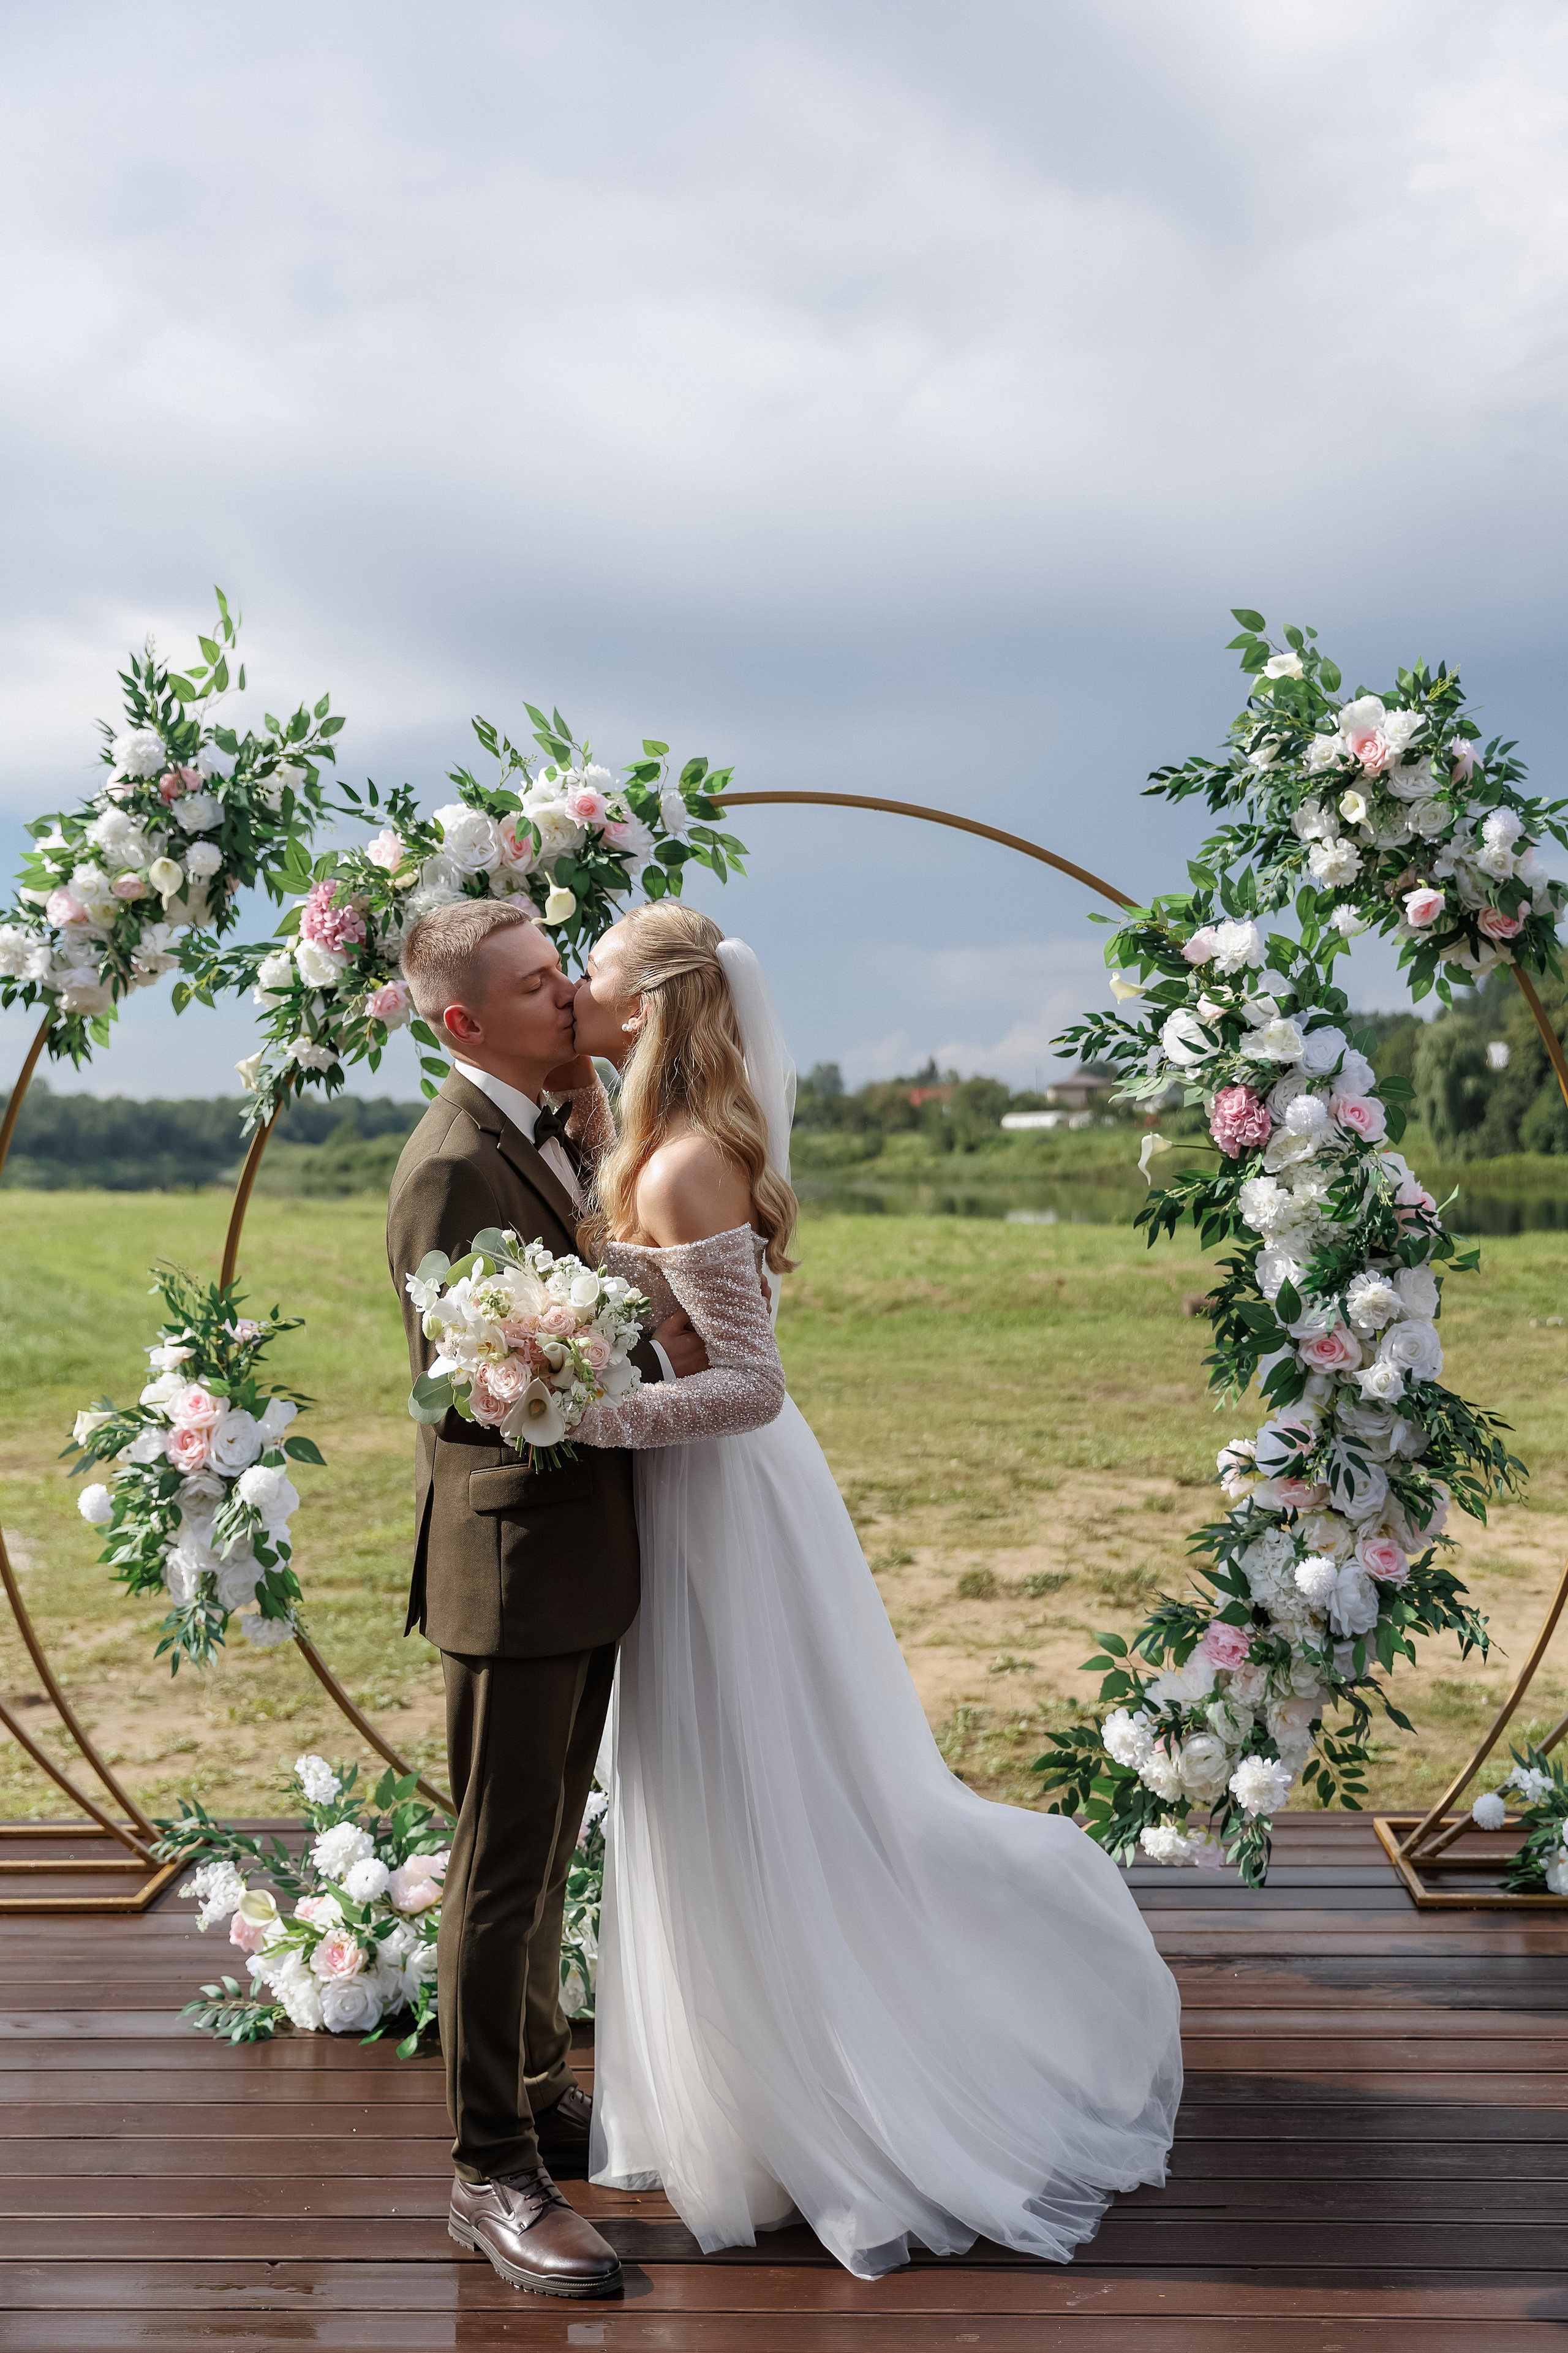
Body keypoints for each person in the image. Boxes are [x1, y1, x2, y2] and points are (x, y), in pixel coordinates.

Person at [565, 901, 1184, 2280]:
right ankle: (739, 2090)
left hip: (724, 1507)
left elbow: (750, 1384)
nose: (578, 997)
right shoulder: (650, 1147)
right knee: (707, 1786)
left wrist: (593, 1417)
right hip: (697, 1503)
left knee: (755, 1783)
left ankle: (822, 2089)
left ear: (652, 1008)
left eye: (596, 980)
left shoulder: (678, 1168)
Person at [386, 899, 708, 2302]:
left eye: (563, 968)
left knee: (545, 1848)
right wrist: (586, 1370)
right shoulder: (450, 1165)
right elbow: (463, 1394)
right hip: (510, 1563)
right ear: (463, 1023)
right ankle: (489, 2173)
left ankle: (537, 2090)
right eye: (536, 983)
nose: (569, 991)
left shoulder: (552, 1121)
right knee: (499, 1872)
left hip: (579, 1551)